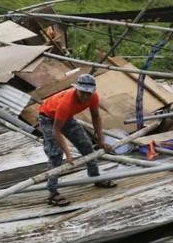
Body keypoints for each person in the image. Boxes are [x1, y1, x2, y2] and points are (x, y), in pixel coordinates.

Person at [38, 73, 116, 206]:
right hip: (48, 118)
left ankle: (96, 177)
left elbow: (96, 117)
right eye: (82, 92)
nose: (85, 96)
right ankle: (52, 193)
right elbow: (56, 131)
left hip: (67, 117)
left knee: (86, 145)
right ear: (77, 89)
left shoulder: (93, 97)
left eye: (88, 93)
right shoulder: (66, 103)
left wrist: (101, 141)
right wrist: (68, 154)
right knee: (55, 154)